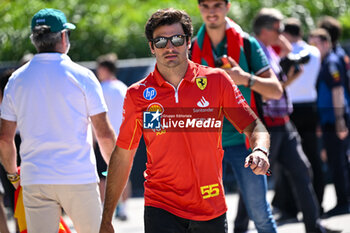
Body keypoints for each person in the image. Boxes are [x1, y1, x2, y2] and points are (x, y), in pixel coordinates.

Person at [100, 8, 271, 233]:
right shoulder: (137, 94)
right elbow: (122, 155)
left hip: (210, 204)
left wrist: (260, 150)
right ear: (152, 47)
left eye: (177, 39)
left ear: (188, 42)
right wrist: (107, 218)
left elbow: (254, 126)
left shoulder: (217, 81)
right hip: (161, 206)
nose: (169, 47)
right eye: (160, 41)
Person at [0, 8, 116, 233]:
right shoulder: (82, 76)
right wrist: (115, 171)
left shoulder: (16, 80)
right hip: (78, 175)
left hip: (35, 178)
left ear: (35, 39)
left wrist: (13, 175)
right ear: (63, 37)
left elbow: (5, 139)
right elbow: (104, 134)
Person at [191, 0, 282, 232]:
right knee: (204, 217)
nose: (211, 11)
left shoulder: (248, 45)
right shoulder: (190, 49)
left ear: (227, 6)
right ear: (200, 7)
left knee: (261, 215)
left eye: (217, 5)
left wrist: (245, 78)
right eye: (206, 5)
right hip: (207, 145)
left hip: (245, 141)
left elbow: (276, 90)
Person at [253, 8, 338, 233]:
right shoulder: (256, 52)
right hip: (268, 123)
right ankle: (241, 226)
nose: (282, 33)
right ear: (265, 30)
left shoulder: (271, 50)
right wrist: (287, 78)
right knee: (254, 177)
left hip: (284, 120)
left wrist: (289, 76)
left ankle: (314, 226)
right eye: (278, 29)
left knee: (302, 170)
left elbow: (279, 85)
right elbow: (265, 91)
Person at [272, 17, 325, 219]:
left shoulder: (286, 53)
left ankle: (289, 208)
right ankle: (316, 207)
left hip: (290, 109)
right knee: (311, 159)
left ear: (284, 33)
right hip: (310, 108)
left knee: (286, 162)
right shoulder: (314, 51)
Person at [309, 28, 350, 218]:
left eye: (316, 44)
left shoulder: (331, 63)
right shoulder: (323, 62)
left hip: (335, 120)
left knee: (338, 162)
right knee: (335, 161)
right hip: (328, 120)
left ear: (326, 43)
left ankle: (343, 202)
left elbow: (337, 92)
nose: (314, 48)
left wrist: (340, 120)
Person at [95, 53, 130, 220]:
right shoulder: (124, 88)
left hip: (105, 139)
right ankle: (123, 209)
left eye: (99, 69)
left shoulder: (100, 89)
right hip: (124, 139)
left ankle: (105, 211)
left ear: (104, 69)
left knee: (104, 177)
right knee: (123, 174)